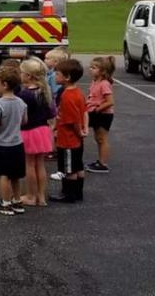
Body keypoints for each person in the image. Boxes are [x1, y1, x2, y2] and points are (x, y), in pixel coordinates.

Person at [0, 66, 28, 215]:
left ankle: (5, 203)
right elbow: (24, 121)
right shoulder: (21, 102)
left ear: (4, 85)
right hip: (17, 143)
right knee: (16, 175)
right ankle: (17, 201)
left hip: (2, 144)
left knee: (4, 175)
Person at [49, 59, 88, 203]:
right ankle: (78, 193)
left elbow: (73, 121)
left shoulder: (67, 96)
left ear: (67, 77)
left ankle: (69, 194)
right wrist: (84, 131)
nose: (54, 76)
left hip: (68, 139)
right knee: (78, 166)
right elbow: (84, 112)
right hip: (76, 139)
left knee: (69, 169)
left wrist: (79, 132)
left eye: (57, 74)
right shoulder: (78, 92)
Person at [18, 57, 55, 207]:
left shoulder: (24, 95)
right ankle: (41, 196)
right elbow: (51, 113)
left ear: (28, 76)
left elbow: (22, 117)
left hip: (29, 131)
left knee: (29, 164)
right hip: (43, 130)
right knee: (40, 164)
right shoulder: (45, 91)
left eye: (22, 72)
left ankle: (31, 195)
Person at [85, 56, 116, 173]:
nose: (90, 69)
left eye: (94, 68)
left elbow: (110, 101)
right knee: (97, 138)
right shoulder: (95, 82)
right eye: (91, 67)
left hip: (103, 114)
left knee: (102, 138)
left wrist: (97, 109)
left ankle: (103, 164)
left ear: (103, 71)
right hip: (95, 112)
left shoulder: (104, 84)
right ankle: (100, 161)